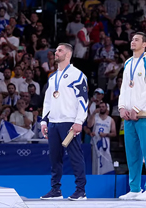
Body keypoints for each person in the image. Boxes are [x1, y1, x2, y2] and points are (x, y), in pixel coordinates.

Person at [40, 43, 88, 200]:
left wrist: (79, 121)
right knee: (54, 158)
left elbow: (83, 100)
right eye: (56, 50)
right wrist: (43, 122)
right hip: (53, 122)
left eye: (59, 50)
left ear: (68, 54)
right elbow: (47, 101)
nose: (56, 52)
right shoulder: (52, 77)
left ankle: (81, 190)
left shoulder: (77, 75)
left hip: (69, 122)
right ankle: (55, 190)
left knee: (75, 157)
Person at [118, 32, 146, 200]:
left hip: (144, 113)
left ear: (145, 44)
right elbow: (124, 88)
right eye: (132, 39)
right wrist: (121, 107)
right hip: (128, 115)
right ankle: (134, 188)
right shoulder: (128, 62)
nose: (132, 41)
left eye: (137, 40)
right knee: (132, 153)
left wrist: (136, 107)